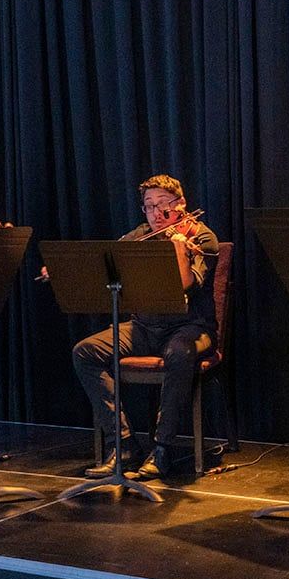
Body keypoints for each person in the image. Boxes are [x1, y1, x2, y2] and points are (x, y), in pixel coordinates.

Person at [72, 174, 219, 479]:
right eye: (149, 206)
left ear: (180, 204)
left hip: (191, 327)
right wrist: (78, 268)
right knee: (85, 351)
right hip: (144, 326)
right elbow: (108, 262)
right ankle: (123, 443)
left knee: (179, 353)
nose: (155, 214)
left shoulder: (203, 238)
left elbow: (185, 285)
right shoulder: (140, 236)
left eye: (162, 205)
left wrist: (179, 249)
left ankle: (162, 449)